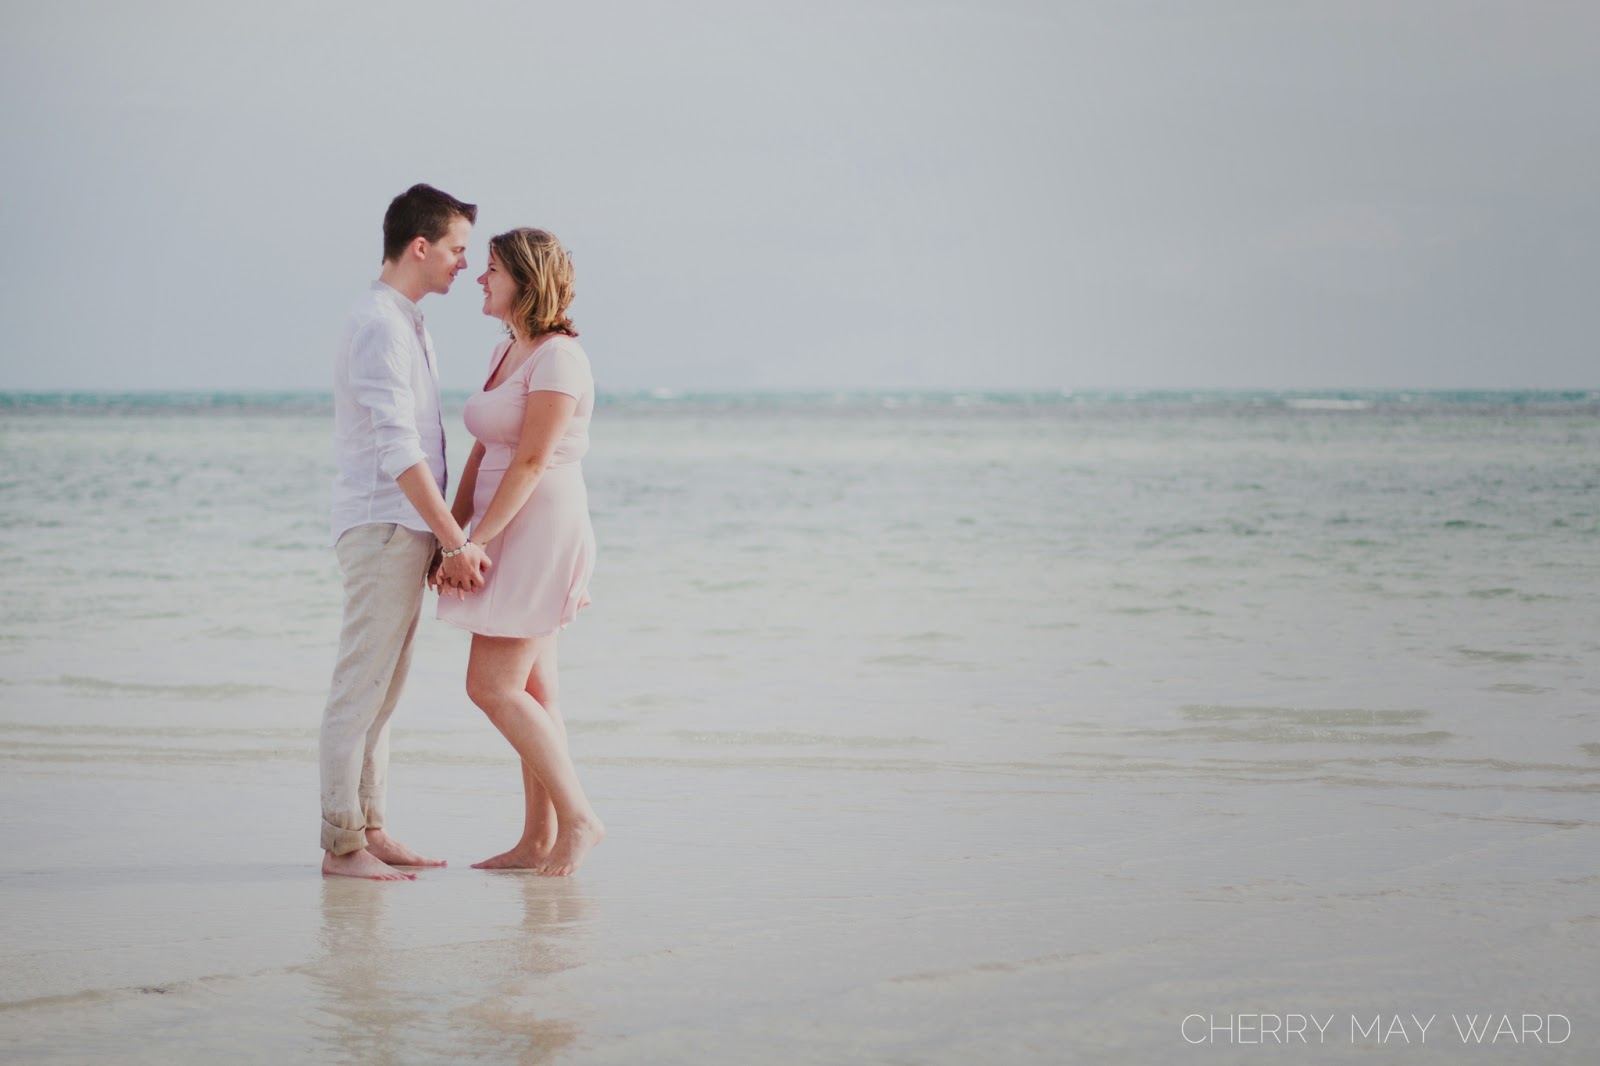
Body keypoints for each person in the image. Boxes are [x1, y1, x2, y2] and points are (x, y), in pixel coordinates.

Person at [320, 184, 493, 881]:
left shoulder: (407, 321)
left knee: (385, 693)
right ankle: (341, 845)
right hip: (382, 525)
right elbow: (397, 452)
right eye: (456, 249)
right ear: (419, 247)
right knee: (358, 690)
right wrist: (453, 539)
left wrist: (440, 535)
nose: (463, 263)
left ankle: (372, 827)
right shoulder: (379, 325)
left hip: (406, 529)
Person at [435, 227, 605, 876]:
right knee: (535, 689)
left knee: (491, 685)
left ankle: (581, 819)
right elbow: (485, 448)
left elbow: (532, 461)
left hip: (538, 528)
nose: (480, 279)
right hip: (499, 523)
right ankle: (539, 839)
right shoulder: (510, 350)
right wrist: (452, 530)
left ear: (526, 279)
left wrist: (475, 542)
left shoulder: (560, 358)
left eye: (492, 270)